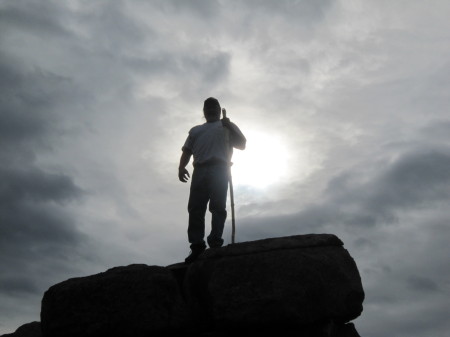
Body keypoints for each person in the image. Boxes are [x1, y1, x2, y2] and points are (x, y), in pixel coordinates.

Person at [179, 97, 246, 263]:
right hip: (200, 169)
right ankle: (197, 246)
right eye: (207, 108)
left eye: (213, 107)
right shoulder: (195, 131)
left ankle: (215, 242)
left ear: (219, 109)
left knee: (218, 207)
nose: (210, 110)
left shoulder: (226, 126)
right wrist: (181, 167)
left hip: (220, 168)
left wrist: (228, 124)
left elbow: (242, 144)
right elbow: (187, 151)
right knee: (196, 208)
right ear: (204, 112)